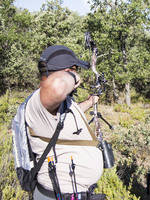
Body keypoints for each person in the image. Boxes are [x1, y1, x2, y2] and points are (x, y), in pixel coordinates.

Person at [25, 45, 105, 199]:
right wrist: (72, 77)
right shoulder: (39, 101)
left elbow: (65, 116)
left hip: (75, 192)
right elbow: (56, 87)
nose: (77, 74)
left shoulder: (60, 103)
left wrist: (90, 102)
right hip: (57, 194)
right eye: (74, 69)